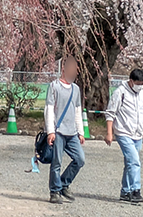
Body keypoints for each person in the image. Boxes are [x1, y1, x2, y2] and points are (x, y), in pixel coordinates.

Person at [105, 68, 143, 204]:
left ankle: (125, 191)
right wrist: (109, 133)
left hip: (138, 134)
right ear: (131, 81)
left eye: (142, 83)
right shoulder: (120, 92)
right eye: (138, 83)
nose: (140, 86)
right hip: (123, 132)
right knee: (134, 161)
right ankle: (135, 190)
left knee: (130, 163)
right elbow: (110, 113)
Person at [45, 56, 86, 204]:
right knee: (56, 162)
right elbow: (49, 109)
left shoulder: (76, 89)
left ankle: (64, 183)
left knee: (80, 159)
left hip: (72, 132)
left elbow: (77, 110)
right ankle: (54, 191)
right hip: (58, 131)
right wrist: (50, 131)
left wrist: (80, 131)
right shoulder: (54, 86)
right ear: (64, 68)